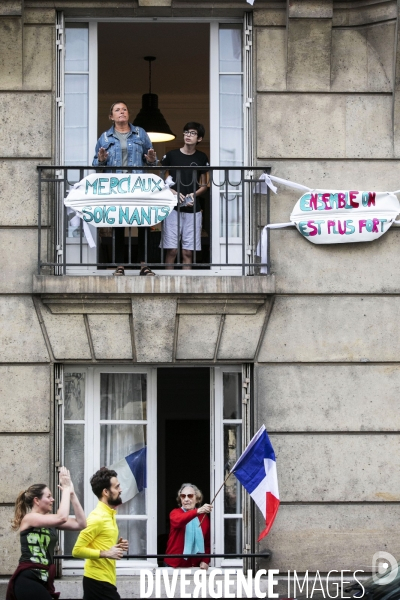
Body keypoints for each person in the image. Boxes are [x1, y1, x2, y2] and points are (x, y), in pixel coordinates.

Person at [93, 101, 158, 276]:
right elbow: (96, 164)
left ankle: (144, 265)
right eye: (117, 110)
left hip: (138, 184)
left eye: (125, 109)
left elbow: (151, 160)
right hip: (117, 186)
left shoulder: (140, 133)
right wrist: (101, 159)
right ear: (111, 116)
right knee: (119, 224)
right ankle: (120, 265)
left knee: (143, 222)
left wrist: (151, 159)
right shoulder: (105, 137)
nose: (122, 112)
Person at [7, 466, 86, 600]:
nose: (52, 499)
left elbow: (81, 524)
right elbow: (62, 517)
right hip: (28, 578)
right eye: (48, 496)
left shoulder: (51, 521)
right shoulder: (29, 518)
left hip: (43, 579)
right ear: (36, 500)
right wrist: (65, 489)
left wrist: (71, 494)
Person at [72, 468, 129, 600]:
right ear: (106, 492)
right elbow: (77, 551)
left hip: (106, 581)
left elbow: (100, 543)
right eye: (117, 487)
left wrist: (117, 546)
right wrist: (106, 553)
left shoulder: (109, 514)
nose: (120, 490)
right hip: (97, 582)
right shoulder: (97, 517)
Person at [161, 122, 209, 269]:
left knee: (188, 252)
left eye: (193, 133)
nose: (188, 135)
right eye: (186, 132)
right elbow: (162, 180)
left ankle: (185, 285)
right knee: (172, 250)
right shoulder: (171, 155)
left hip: (193, 209)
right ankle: (168, 284)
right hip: (172, 208)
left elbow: (205, 184)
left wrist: (192, 195)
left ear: (199, 138)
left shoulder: (201, 157)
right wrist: (174, 193)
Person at [164, 483, 212, 569]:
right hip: (174, 565)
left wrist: (205, 560)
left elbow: (207, 543)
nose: (186, 499)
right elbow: (179, 521)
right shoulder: (175, 513)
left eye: (190, 496)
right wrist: (197, 511)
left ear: (197, 499)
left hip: (196, 566)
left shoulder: (203, 517)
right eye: (183, 496)